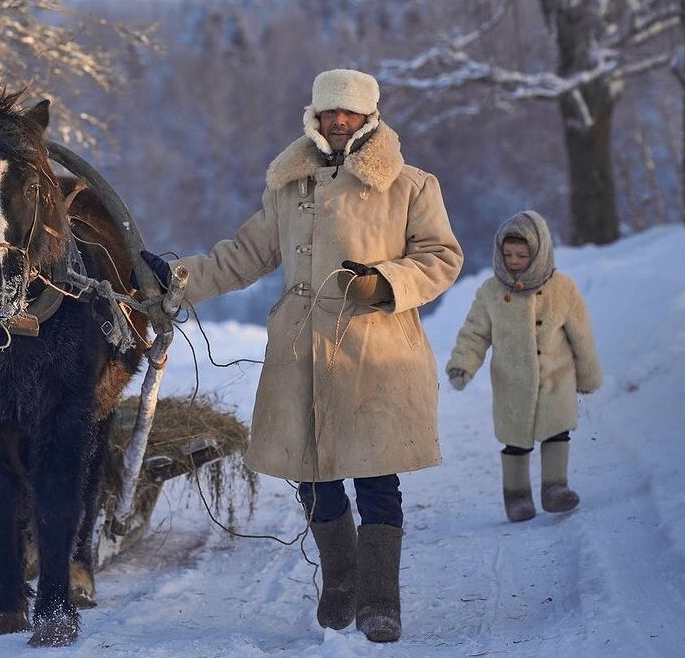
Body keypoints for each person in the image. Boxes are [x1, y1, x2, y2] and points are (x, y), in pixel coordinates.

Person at [140, 69, 463, 643]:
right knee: (311, 474)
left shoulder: (411, 186)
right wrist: (177, 279)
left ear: (370, 118)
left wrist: (385, 282)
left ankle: (379, 600)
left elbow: (441, 257)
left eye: (351, 114)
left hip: (375, 351)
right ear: (314, 118)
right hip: (300, 351)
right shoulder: (290, 187)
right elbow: (244, 254)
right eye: (329, 113)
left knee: (374, 474)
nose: (339, 122)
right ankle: (339, 579)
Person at [445, 210, 602, 523]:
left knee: (557, 433)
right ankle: (517, 497)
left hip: (555, 378)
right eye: (508, 254)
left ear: (539, 253)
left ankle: (555, 489)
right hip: (512, 382)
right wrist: (463, 364)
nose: (514, 261)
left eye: (522, 254)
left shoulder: (563, 289)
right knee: (515, 442)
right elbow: (475, 332)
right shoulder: (491, 292)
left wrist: (587, 375)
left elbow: (580, 334)